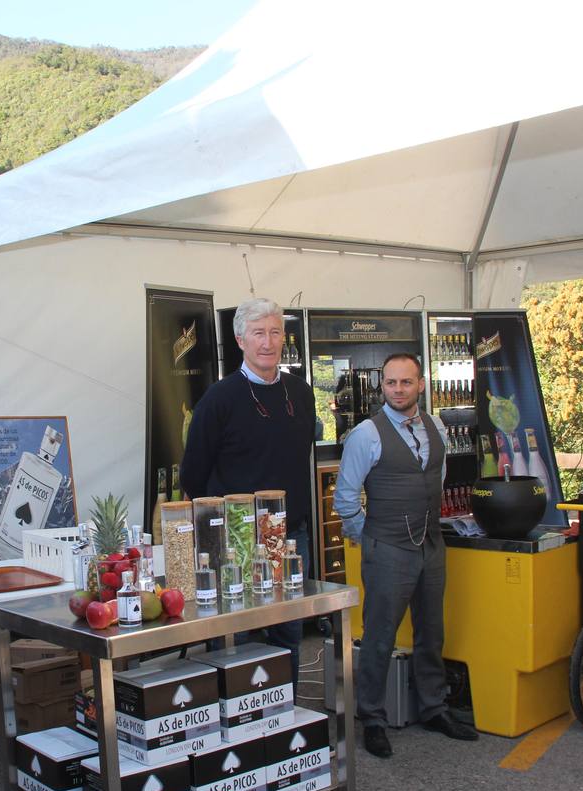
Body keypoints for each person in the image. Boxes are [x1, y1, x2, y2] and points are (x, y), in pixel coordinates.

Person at [334, 353, 477, 757]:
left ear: (421, 384)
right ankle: (373, 718)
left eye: (406, 382)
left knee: (432, 630)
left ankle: (434, 707)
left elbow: (438, 477)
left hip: (431, 544)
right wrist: (374, 537)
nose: (398, 389)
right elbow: (345, 499)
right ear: (383, 386)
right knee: (380, 636)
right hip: (387, 548)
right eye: (391, 383)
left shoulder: (437, 426)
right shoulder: (367, 433)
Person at [181, 298, 316, 680]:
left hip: (290, 535)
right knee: (234, 630)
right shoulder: (218, 399)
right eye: (258, 333)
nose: (268, 342)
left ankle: (285, 709)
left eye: (275, 332)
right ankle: (237, 715)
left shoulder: (301, 393)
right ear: (240, 340)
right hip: (234, 539)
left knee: (288, 626)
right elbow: (193, 473)